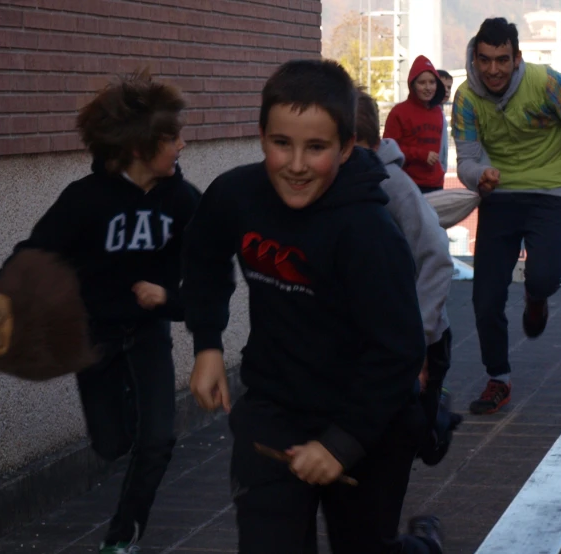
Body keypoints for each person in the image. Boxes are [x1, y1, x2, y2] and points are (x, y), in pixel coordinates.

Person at [183, 59, 443, 554]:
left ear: (346, 147)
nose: (297, 164)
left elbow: (399, 349)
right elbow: (201, 257)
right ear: (262, 136)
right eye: (282, 143)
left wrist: (342, 442)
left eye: (317, 148)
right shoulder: (236, 195)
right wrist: (208, 344)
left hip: (368, 420)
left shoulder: (368, 232)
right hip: (274, 412)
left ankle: (420, 546)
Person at [0, 71, 201, 554]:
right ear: (138, 146)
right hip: (96, 341)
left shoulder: (184, 201)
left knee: (158, 440)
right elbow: (34, 253)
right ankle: (125, 410)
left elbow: (212, 276)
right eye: (172, 138)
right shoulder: (85, 200)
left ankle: (120, 538)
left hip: (148, 335)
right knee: (112, 445)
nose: (183, 146)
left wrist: (169, 300)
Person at [452, 17, 561, 415]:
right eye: (484, 60)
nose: (492, 70)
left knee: (543, 277)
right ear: (475, 57)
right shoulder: (466, 97)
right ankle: (498, 379)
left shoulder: (546, 82)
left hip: (549, 189)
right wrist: (478, 177)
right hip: (500, 191)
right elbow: (466, 159)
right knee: (485, 296)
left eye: (501, 59)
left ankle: (536, 297)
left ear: (517, 57)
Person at [355, 89, 461, 466]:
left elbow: (436, 258)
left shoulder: (393, 186)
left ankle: (439, 421)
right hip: (390, 335)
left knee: (421, 432)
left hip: (424, 334)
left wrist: (420, 341)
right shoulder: (356, 182)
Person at [383, 55, 446, 194]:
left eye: (432, 82)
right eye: (422, 83)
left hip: (435, 183)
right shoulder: (399, 112)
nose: (428, 88)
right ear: (412, 85)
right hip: (408, 183)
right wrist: (421, 155)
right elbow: (389, 150)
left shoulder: (438, 112)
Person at [437, 69, 454, 174]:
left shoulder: (441, 113)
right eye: (443, 87)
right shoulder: (431, 114)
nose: (446, 90)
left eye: (449, 87)